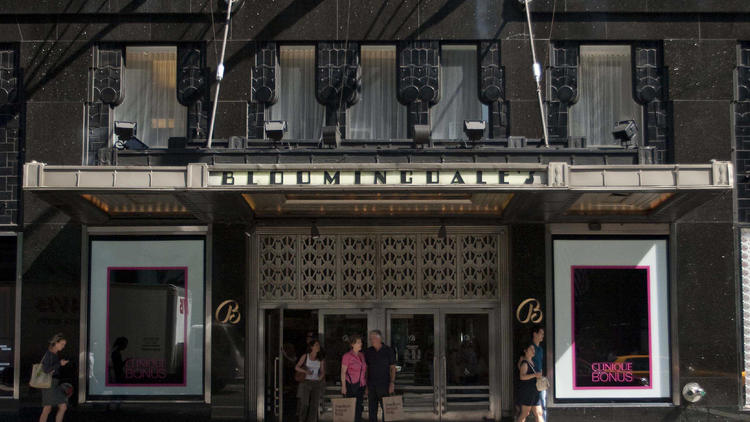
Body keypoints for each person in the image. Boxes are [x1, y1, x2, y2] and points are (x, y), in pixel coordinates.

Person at [364, 330, 396, 422]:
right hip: (371, 386)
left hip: (385, 385)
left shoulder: (388, 350)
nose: (371, 340)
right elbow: (366, 369)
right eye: (370, 338)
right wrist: (366, 385)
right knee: (372, 411)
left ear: (379, 338)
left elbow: (393, 368)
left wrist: (392, 383)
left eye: (373, 338)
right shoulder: (368, 351)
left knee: (386, 411)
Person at [39, 333, 69, 422]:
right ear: (56, 343)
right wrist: (60, 364)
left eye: (64, 345)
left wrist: (59, 364)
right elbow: (46, 369)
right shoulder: (49, 354)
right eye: (62, 344)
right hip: (49, 384)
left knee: (59, 407)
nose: (63, 347)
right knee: (48, 408)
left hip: (53, 384)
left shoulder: (54, 354)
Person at [295, 339, 325, 422]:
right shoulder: (305, 356)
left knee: (314, 405)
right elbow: (296, 367)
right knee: (305, 404)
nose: (318, 347)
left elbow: (323, 371)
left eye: (318, 345)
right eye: (316, 345)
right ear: (311, 347)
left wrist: (321, 377)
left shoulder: (321, 358)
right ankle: (302, 420)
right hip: (306, 382)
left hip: (316, 383)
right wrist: (305, 371)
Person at [341, 334, 367, 422]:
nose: (361, 344)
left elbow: (364, 371)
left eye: (361, 342)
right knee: (352, 407)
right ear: (352, 344)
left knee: (359, 406)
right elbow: (343, 372)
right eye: (358, 342)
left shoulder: (362, 355)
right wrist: (343, 386)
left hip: (361, 385)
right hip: (351, 385)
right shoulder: (347, 356)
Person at [517, 344, 544, 422]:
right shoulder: (525, 363)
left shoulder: (532, 362)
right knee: (525, 414)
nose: (533, 351)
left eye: (534, 349)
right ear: (525, 351)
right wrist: (535, 375)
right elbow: (522, 377)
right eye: (531, 349)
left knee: (538, 413)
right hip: (527, 392)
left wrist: (538, 376)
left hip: (534, 392)